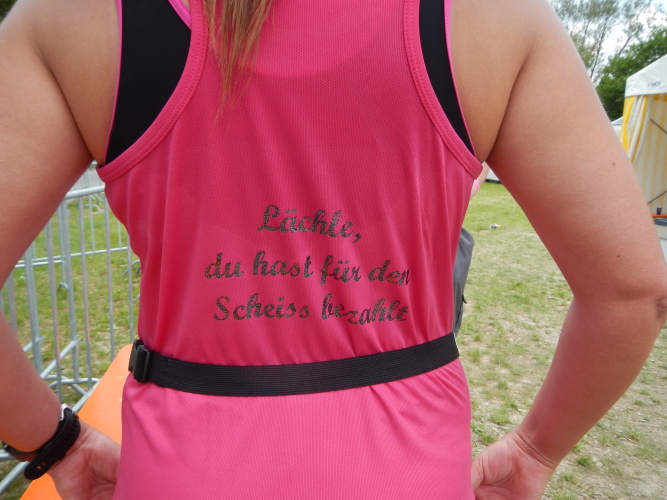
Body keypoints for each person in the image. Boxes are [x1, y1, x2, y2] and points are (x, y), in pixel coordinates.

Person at [1, 0, 666, 498]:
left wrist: (55, 441)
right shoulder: (492, 19)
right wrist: (533, 451)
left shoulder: (75, 19)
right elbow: (631, 292)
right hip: (409, 469)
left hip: (181, 468)